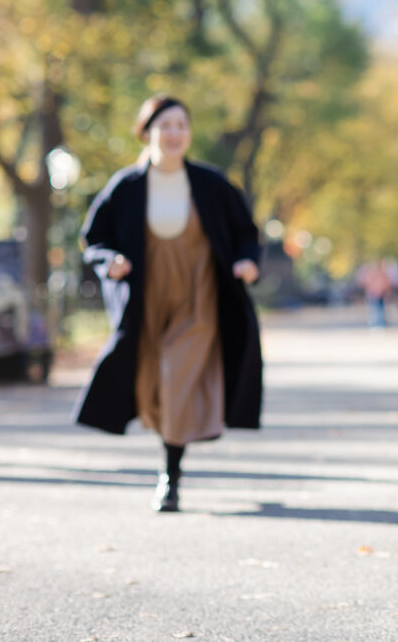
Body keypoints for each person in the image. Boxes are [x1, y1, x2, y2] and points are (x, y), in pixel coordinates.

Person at [75, 94, 263, 512]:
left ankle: (170, 477)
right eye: (165, 125)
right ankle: (172, 454)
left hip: (200, 297)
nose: (175, 133)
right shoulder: (125, 187)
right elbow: (94, 240)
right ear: (146, 132)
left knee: (177, 377)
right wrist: (111, 261)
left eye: (182, 125)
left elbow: (247, 231)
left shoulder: (211, 184)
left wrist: (247, 260)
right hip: (146, 300)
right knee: (151, 386)